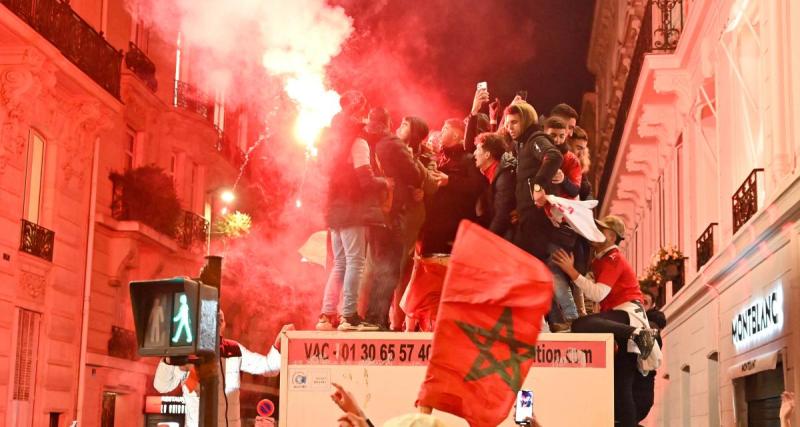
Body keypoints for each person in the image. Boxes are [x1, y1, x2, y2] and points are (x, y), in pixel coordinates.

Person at [551, 215, 656, 427]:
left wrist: (571, 272)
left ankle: (637, 334)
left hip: (627, 316)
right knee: (621, 383)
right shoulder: (602, 259)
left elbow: (598, 294)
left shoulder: (613, 259)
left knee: (582, 325)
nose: (595, 231)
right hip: (627, 319)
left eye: (600, 228)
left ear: (610, 236)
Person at [317, 92, 388, 331]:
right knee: (355, 261)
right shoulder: (357, 142)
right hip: (352, 209)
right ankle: (348, 315)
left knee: (339, 263)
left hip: (334, 209)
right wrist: (385, 183)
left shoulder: (332, 139)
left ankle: (327, 315)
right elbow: (365, 178)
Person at [504, 101, 578, 329]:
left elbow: (553, 155)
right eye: (507, 123)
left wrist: (538, 186)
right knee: (539, 269)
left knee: (545, 267)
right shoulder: (524, 143)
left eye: (514, 122)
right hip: (530, 217)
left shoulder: (536, 140)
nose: (509, 127)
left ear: (526, 120)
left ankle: (567, 317)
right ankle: (558, 319)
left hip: (537, 218)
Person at [153, 311, 294, 427]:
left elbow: (269, 368)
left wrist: (278, 343)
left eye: (221, 318)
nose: (219, 319)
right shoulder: (189, 353)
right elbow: (162, 386)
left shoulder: (234, 349)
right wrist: (167, 360)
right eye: (214, 316)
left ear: (224, 325)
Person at [362, 108, 423, 330]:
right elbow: (415, 174)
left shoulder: (365, 143)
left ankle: (370, 317)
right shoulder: (393, 144)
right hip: (391, 211)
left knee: (378, 264)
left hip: (370, 211)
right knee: (389, 267)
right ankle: (377, 318)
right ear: (387, 122)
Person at [418, 118, 486, 255]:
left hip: (452, 225)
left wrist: (450, 181)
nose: (441, 132)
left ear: (456, 135)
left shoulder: (468, 158)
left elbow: (477, 185)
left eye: (445, 129)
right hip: (433, 221)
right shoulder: (439, 156)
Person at [473, 132, 515, 240]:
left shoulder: (504, 177)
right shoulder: (492, 173)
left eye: (477, 149)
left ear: (487, 155)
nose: (474, 153)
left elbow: (502, 215)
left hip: (509, 237)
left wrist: (489, 239)